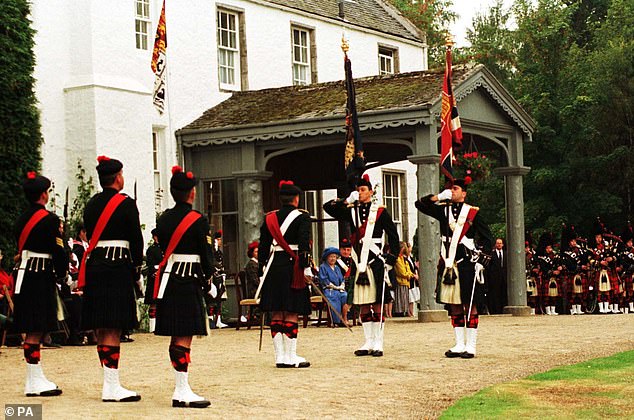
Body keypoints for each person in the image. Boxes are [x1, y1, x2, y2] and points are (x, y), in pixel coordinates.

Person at [80, 156, 143, 402]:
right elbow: (135, 239)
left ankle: (109, 382)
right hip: (117, 266)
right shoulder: (126, 204)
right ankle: (112, 385)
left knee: (102, 323)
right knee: (114, 325)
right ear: (118, 178)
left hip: (96, 265)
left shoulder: (91, 204)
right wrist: (137, 267)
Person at [153, 166, 213, 408]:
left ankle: (181, 386)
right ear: (191, 193)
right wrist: (209, 275)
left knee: (176, 334)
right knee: (184, 334)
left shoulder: (163, 218)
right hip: (188, 280)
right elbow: (206, 255)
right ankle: (181, 389)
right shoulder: (198, 220)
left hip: (169, 279)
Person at [323, 174, 400, 357]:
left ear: (371, 192)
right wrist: (345, 200)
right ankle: (368, 341)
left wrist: (392, 257)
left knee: (377, 302)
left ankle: (378, 341)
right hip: (359, 262)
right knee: (363, 302)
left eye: (363, 190)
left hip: (375, 261)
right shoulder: (351, 210)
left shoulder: (380, 212)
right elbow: (328, 208)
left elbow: (393, 235)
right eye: (358, 190)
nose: (360, 193)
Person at [415, 178, 492, 359]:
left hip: (467, 262)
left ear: (464, 193)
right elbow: (420, 204)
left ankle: (471, 345)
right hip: (450, 262)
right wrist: (438, 197)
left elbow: (488, 238)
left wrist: (482, 260)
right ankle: (459, 344)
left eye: (455, 189)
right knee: (454, 304)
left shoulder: (472, 213)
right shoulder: (443, 211)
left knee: (470, 303)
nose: (452, 191)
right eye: (451, 189)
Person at [12, 171, 67, 396]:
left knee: (34, 327)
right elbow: (58, 251)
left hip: (24, 274)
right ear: (44, 195)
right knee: (36, 327)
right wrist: (63, 274)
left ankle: (35, 376)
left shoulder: (20, 219)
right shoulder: (50, 220)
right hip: (39, 275)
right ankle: (33, 381)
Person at [258, 180, 312, 368]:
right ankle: (291, 356)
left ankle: (279, 356)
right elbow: (304, 245)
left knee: (277, 310)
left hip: (273, 267)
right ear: (296, 199)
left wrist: (261, 271)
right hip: (292, 266)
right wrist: (306, 268)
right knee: (291, 310)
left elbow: (263, 247)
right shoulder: (303, 217)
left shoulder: (269, 218)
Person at [560, 224, 590, 315]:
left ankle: (579, 308)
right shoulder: (565, 253)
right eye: (572, 241)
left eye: (574, 241)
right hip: (571, 274)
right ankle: (572, 309)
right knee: (572, 294)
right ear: (568, 242)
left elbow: (584, 259)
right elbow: (568, 264)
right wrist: (580, 267)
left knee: (579, 293)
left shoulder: (579, 250)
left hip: (579, 274)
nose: (574, 243)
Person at [318, 247, 347, 326]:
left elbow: (342, 279)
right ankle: (336, 321)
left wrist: (341, 285)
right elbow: (324, 280)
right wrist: (335, 287)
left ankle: (344, 319)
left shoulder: (337, 268)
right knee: (335, 296)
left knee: (345, 295)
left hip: (339, 289)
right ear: (327, 258)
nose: (333, 259)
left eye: (334, 257)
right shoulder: (323, 267)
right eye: (331, 257)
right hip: (329, 289)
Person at [536, 232, 563, 315]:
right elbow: (543, 268)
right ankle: (547, 310)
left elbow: (558, 264)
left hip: (554, 278)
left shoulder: (555, 256)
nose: (549, 249)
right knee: (547, 296)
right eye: (547, 248)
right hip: (546, 277)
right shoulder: (541, 258)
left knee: (554, 295)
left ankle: (553, 310)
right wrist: (552, 272)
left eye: (550, 248)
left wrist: (560, 268)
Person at [208, 230, 228, 329]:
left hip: (219, 276)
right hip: (213, 277)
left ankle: (218, 320)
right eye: (218, 239)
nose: (220, 241)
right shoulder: (212, 252)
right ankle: (211, 319)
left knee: (219, 298)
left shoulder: (219, 252)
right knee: (212, 298)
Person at [144, 228, 163, 332]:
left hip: (163, 277)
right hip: (155, 278)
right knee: (153, 302)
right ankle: (152, 326)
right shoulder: (151, 249)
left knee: (163, 302)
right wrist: (156, 270)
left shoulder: (165, 248)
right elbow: (150, 265)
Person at [337, 237, 356, 325]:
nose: (346, 252)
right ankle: (344, 318)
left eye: (348, 250)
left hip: (351, 283)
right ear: (340, 249)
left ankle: (358, 317)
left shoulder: (353, 260)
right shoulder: (337, 261)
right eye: (344, 249)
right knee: (346, 296)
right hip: (341, 284)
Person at [486, 238, 507, 314]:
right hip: (494, 278)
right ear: (495, 244)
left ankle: (503, 309)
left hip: (504, 278)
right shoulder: (492, 254)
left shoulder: (506, 254)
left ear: (503, 244)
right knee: (495, 295)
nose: (499, 244)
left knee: (503, 294)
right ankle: (495, 310)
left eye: (500, 243)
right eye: (497, 243)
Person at [394, 241, 415, 317]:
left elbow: (408, 269)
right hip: (400, 281)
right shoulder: (397, 259)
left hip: (406, 282)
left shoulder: (403, 258)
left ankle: (405, 311)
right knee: (400, 299)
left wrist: (410, 274)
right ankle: (399, 312)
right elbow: (402, 272)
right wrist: (409, 275)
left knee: (405, 299)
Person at [405, 242, 420, 317]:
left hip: (414, 279)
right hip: (409, 279)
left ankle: (411, 312)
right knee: (409, 297)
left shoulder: (410, 257)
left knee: (413, 298)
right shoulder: (405, 258)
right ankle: (408, 312)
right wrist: (413, 275)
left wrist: (416, 273)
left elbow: (414, 267)